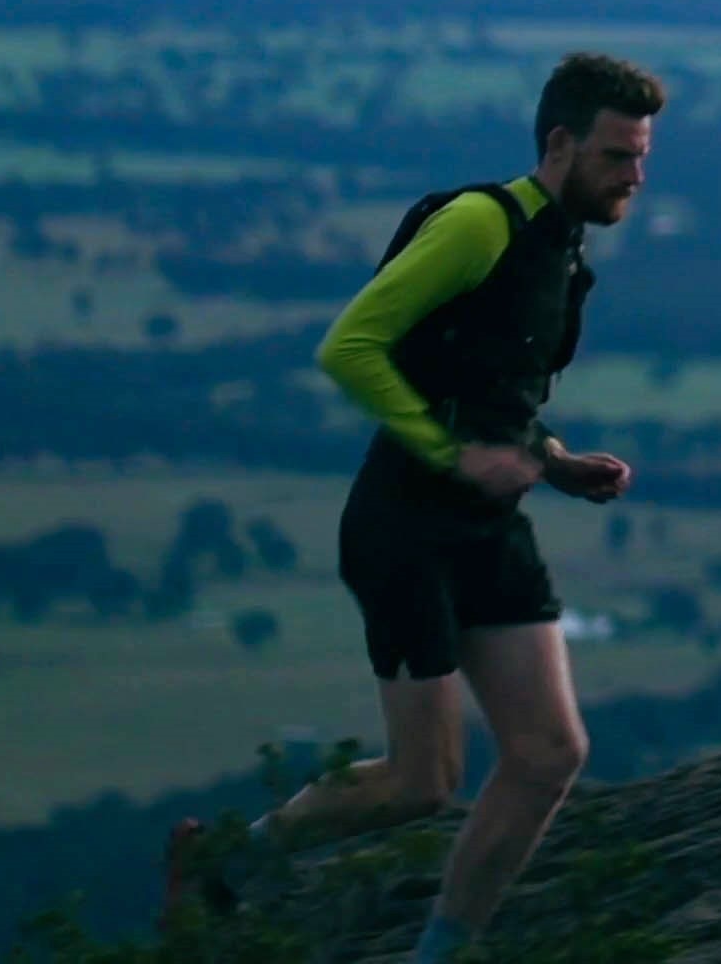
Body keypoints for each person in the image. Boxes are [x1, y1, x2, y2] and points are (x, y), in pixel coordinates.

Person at [168, 53, 654, 962]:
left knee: (549, 754)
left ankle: (439, 953)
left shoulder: (562, 250)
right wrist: (448, 454)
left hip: (486, 526)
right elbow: (350, 346)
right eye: (618, 155)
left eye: (641, 157)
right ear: (559, 143)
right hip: (405, 526)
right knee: (421, 782)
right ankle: (222, 863)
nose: (635, 175)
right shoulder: (480, 223)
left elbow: (485, 388)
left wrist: (551, 462)